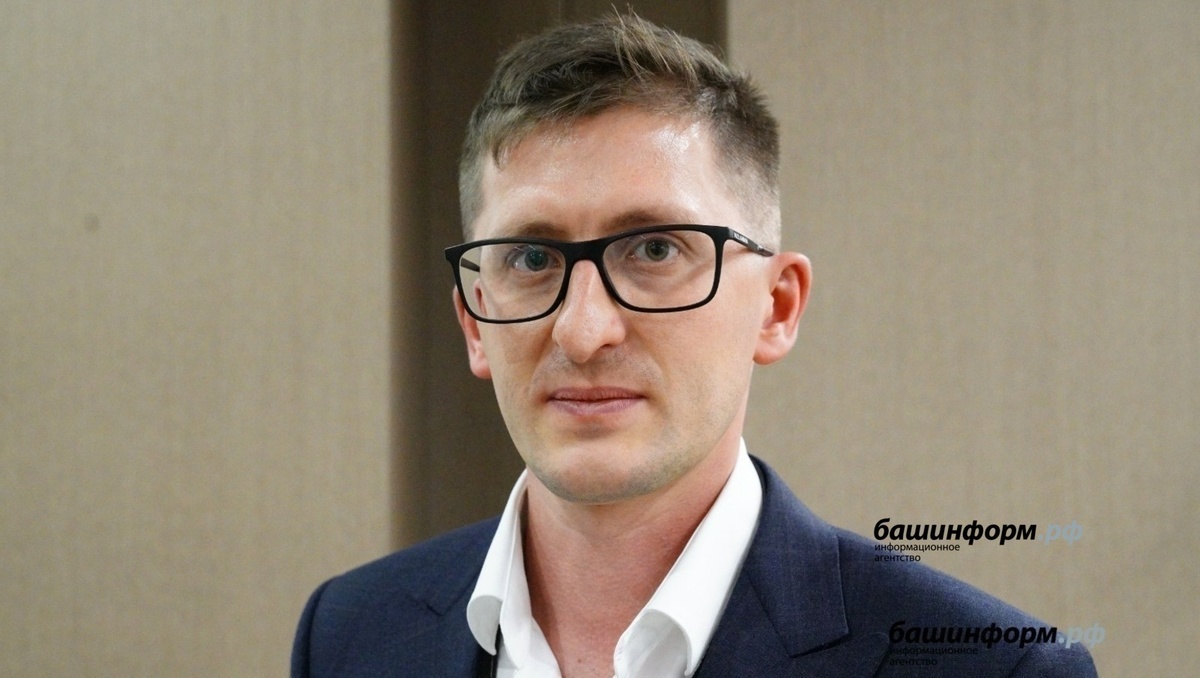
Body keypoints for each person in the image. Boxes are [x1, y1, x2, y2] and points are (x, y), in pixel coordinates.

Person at [292, 14, 1096, 678]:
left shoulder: (993, 670)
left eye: (654, 250)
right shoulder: (350, 635)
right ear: (474, 321)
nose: (584, 331)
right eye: (531, 259)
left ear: (776, 307)